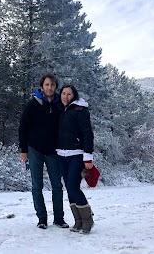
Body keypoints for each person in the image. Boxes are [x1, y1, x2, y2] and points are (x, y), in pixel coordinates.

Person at [19, 74, 69, 229]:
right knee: (36, 186)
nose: (49, 87)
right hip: (35, 150)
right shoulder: (32, 104)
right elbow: (23, 128)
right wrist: (23, 150)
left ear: (55, 87)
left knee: (57, 186)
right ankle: (42, 219)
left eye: (52, 85)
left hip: (54, 151)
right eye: (47, 85)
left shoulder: (59, 105)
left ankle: (59, 218)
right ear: (42, 87)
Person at [56, 84, 95, 234]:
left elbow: (88, 133)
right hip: (61, 155)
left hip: (77, 155)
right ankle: (78, 221)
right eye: (63, 94)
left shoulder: (80, 110)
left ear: (74, 96)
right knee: (69, 188)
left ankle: (88, 220)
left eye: (69, 94)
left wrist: (88, 157)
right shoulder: (59, 110)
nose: (65, 97)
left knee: (73, 187)